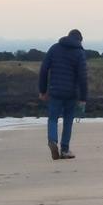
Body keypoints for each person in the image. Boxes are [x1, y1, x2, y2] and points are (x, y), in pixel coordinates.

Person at [38, 29, 88, 160]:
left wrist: (42, 90)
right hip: (71, 92)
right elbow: (83, 77)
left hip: (55, 90)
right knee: (68, 120)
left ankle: (53, 141)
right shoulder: (79, 52)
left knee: (53, 118)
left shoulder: (54, 48)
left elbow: (44, 69)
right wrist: (83, 98)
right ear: (80, 40)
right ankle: (65, 149)